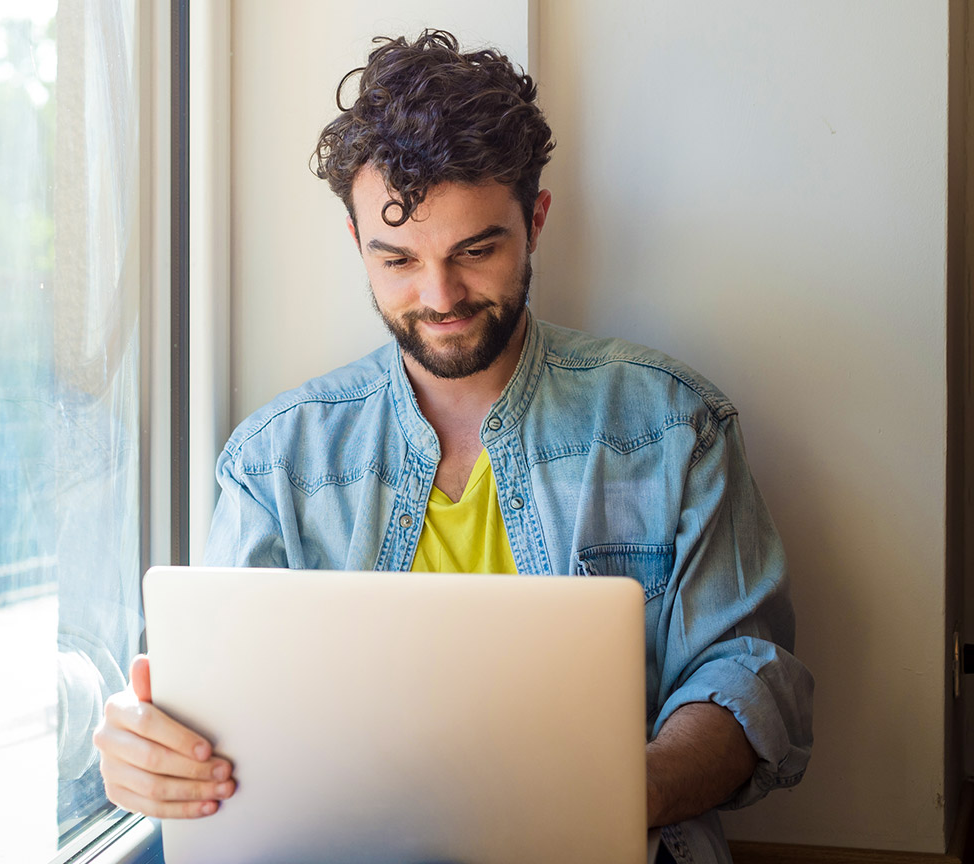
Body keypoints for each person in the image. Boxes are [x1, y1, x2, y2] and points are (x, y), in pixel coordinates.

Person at [92, 29, 813, 864]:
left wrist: (618, 794)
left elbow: (748, 678)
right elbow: (211, 719)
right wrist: (147, 751)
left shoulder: (672, 426)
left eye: (476, 250)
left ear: (534, 222)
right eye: (395, 258)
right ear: (356, 243)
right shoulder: (274, 463)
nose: (438, 297)